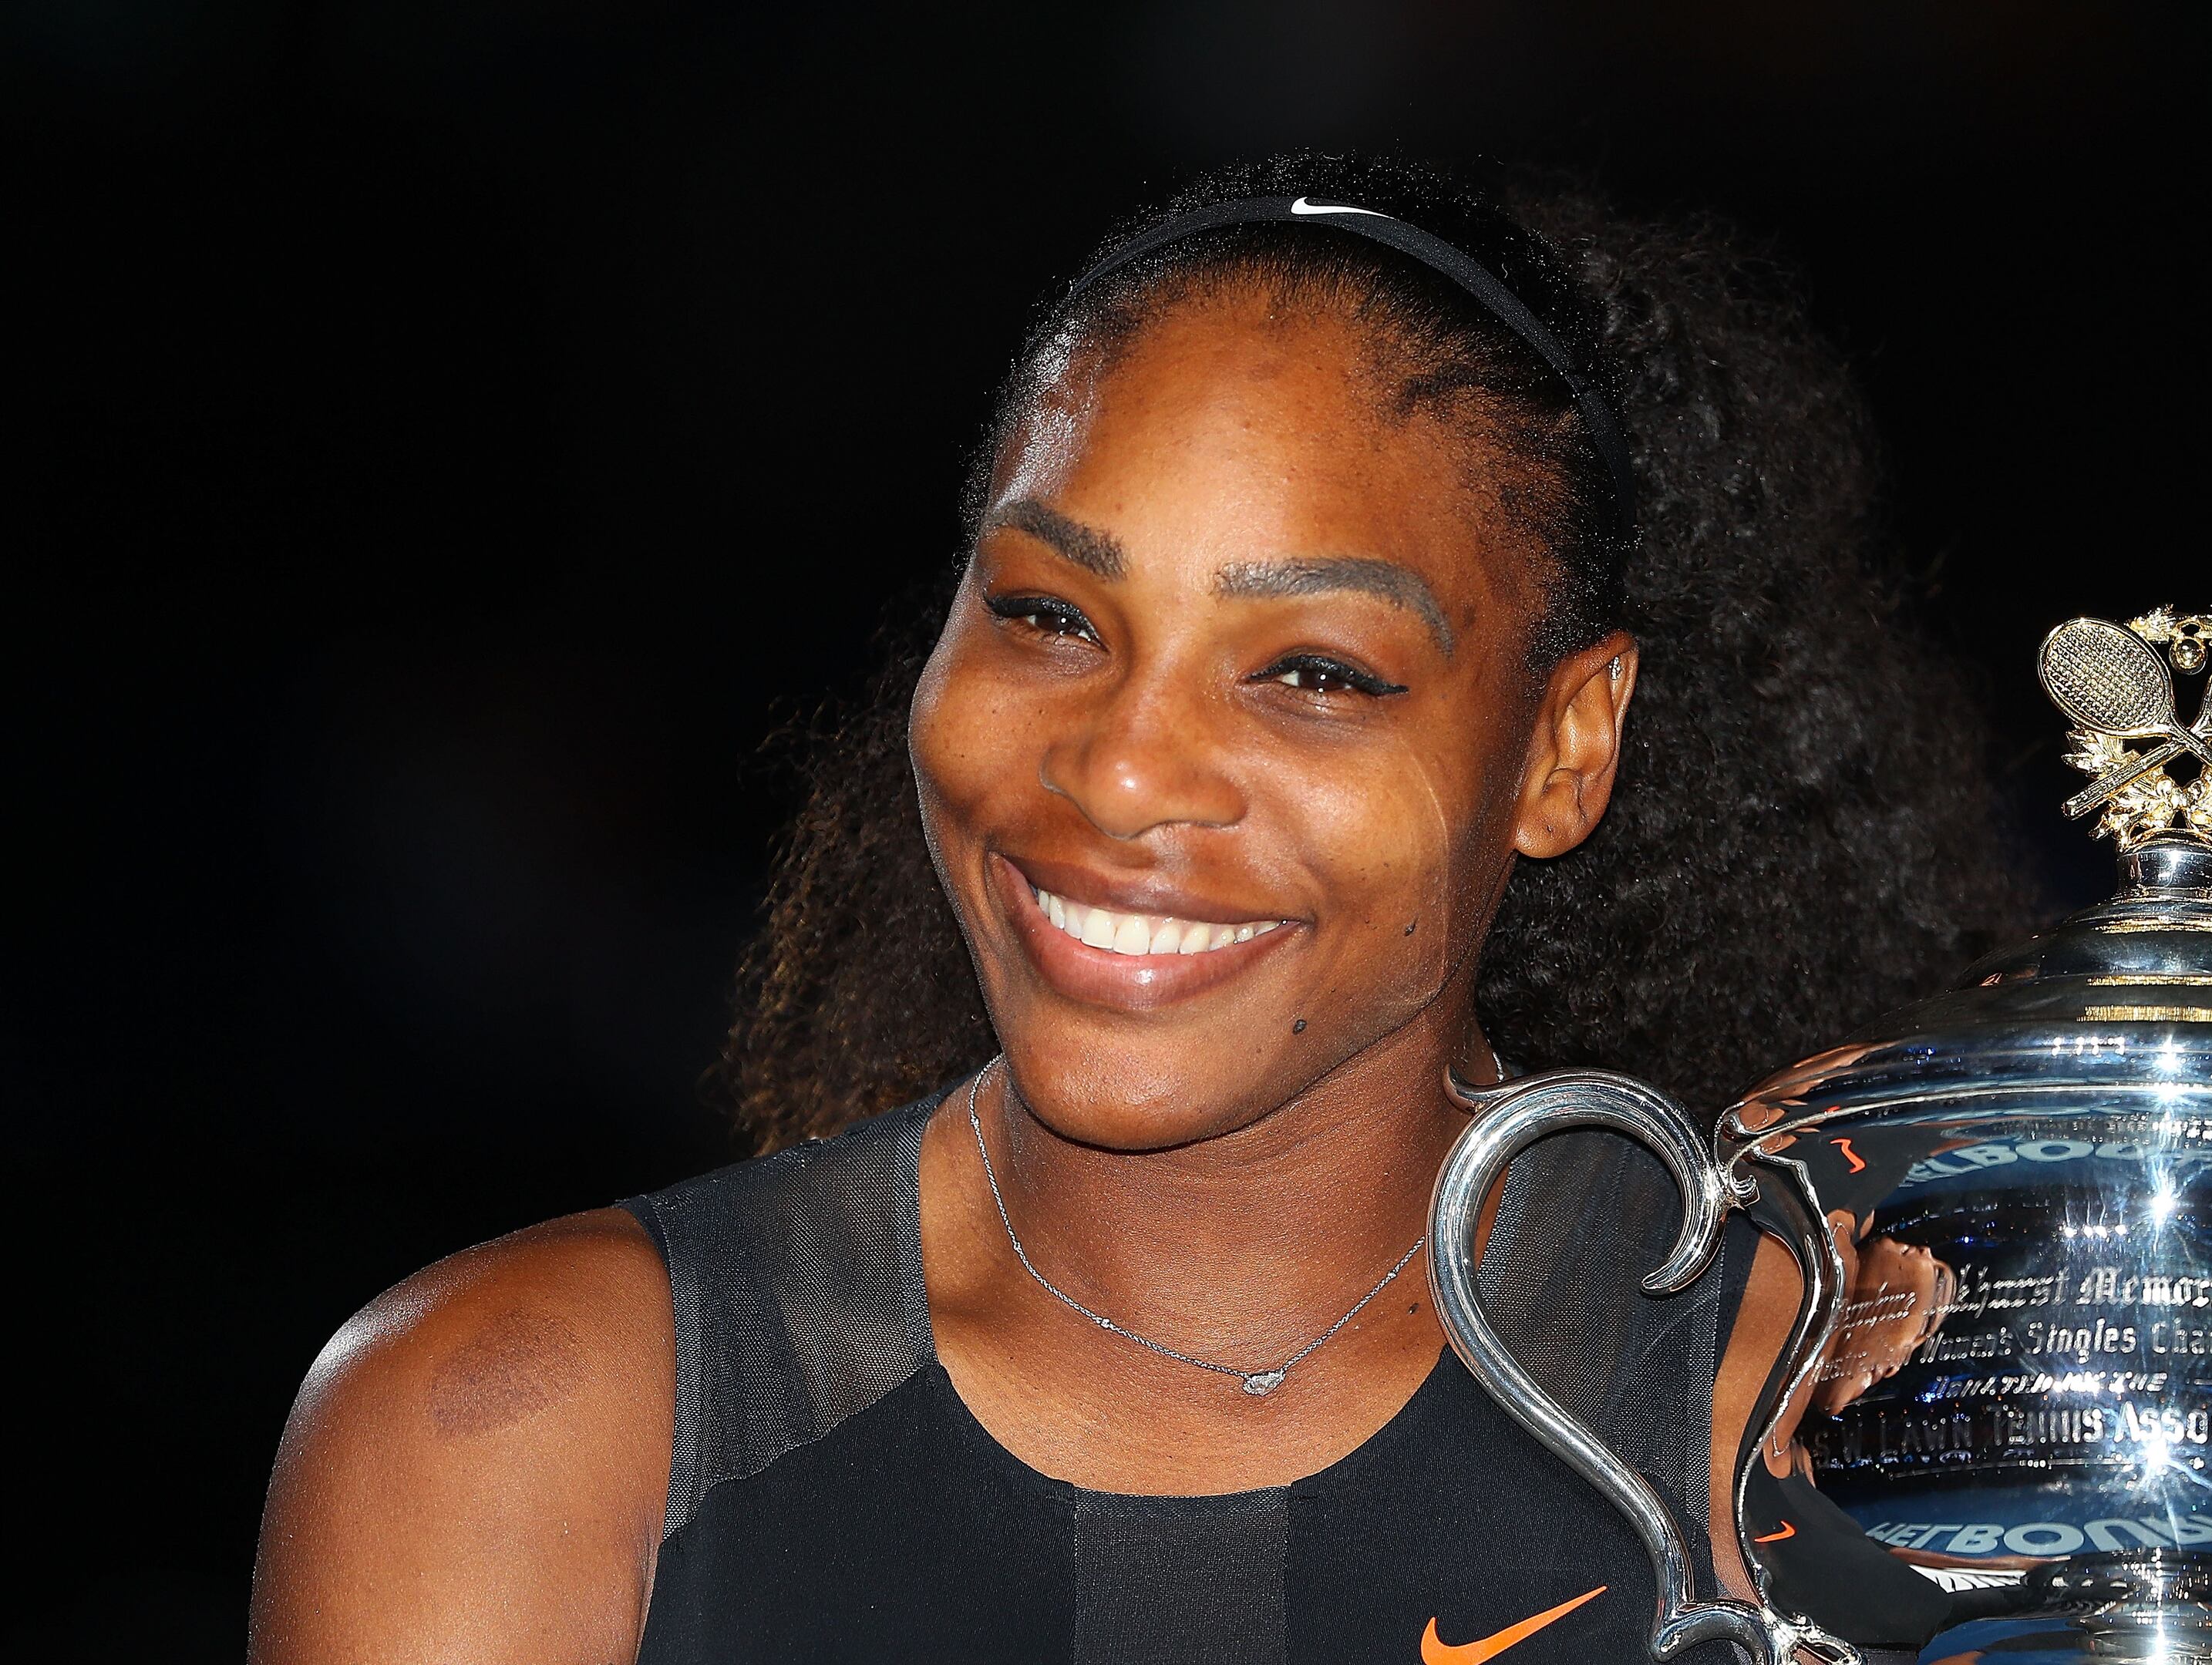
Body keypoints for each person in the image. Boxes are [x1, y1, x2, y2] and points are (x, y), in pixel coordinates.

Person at [247, 153, 2026, 1664]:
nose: (1117, 775)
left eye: (1315, 672)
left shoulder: (1810, 1423)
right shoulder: (516, 1426)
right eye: (1049, 618)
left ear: (1567, 748)